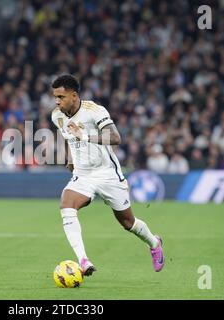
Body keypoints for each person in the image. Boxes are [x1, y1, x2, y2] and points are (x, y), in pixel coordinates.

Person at [50, 75, 164, 276]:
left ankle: (154, 243)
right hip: (83, 175)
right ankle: (83, 260)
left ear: (74, 95)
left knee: (128, 223)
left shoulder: (94, 111)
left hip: (107, 173)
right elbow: (68, 137)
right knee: (67, 204)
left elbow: (115, 138)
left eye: (61, 96)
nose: (57, 101)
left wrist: (84, 135)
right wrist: (70, 159)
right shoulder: (57, 116)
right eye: (55, 97)